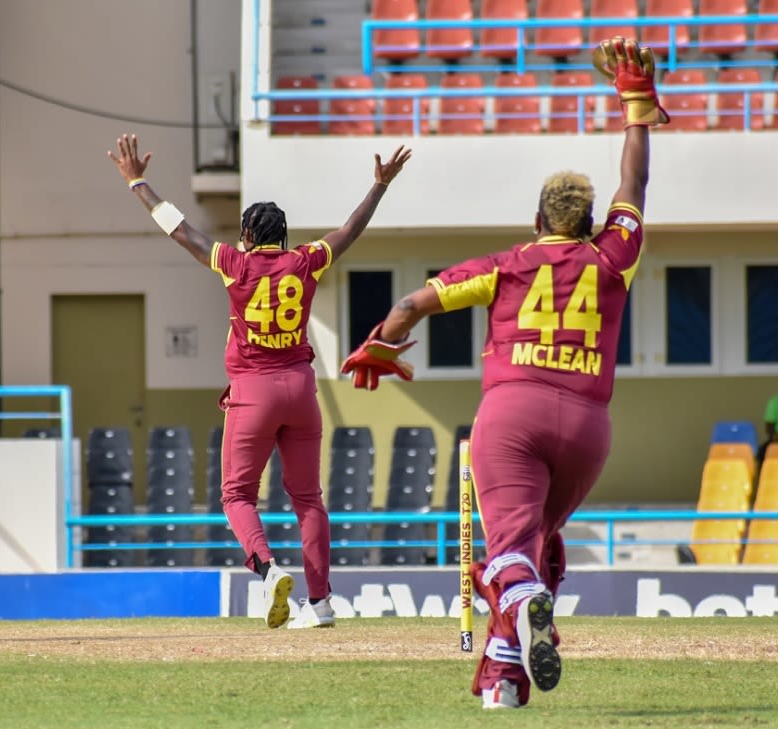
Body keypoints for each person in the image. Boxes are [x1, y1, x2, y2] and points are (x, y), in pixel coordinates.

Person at [340, 37, 665, 709]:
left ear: (537, 219)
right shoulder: (614, 257)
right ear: (588, 220)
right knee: (537, 547)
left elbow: (410, 303)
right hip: (585, 426)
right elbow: (635, 184)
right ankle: (503, 682)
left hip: (512, 416)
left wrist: (382, 342)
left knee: (510, 560)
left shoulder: (506, 264)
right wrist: (635, 105)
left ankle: (526, 606)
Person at [108, 134, 411, 629]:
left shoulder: (236, 263)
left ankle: (268, 571)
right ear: (284, 236)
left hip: (253, 392)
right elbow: (349, 231)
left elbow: (180, 230)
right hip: (301, 388)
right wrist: (378, 187)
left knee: (237, 496)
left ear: (248, 237)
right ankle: (321, 604)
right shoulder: (306, 260)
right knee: (308, 498)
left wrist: (138, 182)